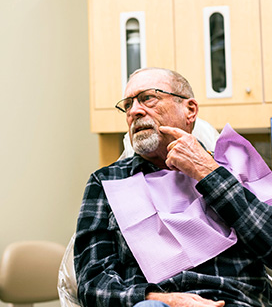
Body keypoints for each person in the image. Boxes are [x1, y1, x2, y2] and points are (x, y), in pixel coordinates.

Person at [74, 67, 272, 307]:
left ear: (189, 110)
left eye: (148, 98)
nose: (134, 111)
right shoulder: (107, 182)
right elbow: (92, 284)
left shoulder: (233, 164)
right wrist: (158, 299)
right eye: (127, 105)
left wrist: (208, 172)